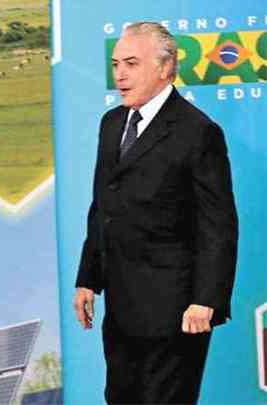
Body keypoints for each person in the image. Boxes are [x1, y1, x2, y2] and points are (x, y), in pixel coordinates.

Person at [73, 22, 238, 404]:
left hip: (176, 312)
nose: (119, 74)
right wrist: (88, 278)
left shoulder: (198, 133)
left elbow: (219, 225)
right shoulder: (111, 124)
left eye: (131, 63)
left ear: (165, 68)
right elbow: (103, 206)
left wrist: (206, 300)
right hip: (121, 309)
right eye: (116, 64)